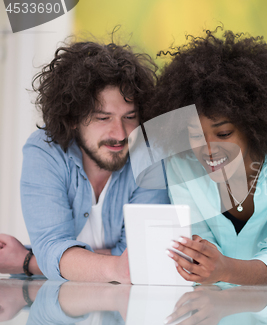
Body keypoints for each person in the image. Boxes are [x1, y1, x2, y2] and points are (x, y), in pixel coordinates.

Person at [138, 29, 267, 285]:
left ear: (253, 126)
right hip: (215, 300)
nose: (207, 148)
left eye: (224, 133)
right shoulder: (181, 163)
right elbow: (201, 247)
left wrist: (224, 269)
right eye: (195, 135)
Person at [0, 40, 168, 282]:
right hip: (58, 309)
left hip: (124, 309)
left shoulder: (150, 154)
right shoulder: (44, 150)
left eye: (130, 117)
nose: (121, 134)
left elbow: (141, 256)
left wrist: (28, 261)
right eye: (103, 118)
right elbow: (53, 247)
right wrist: (111, 267)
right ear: (73, 119)